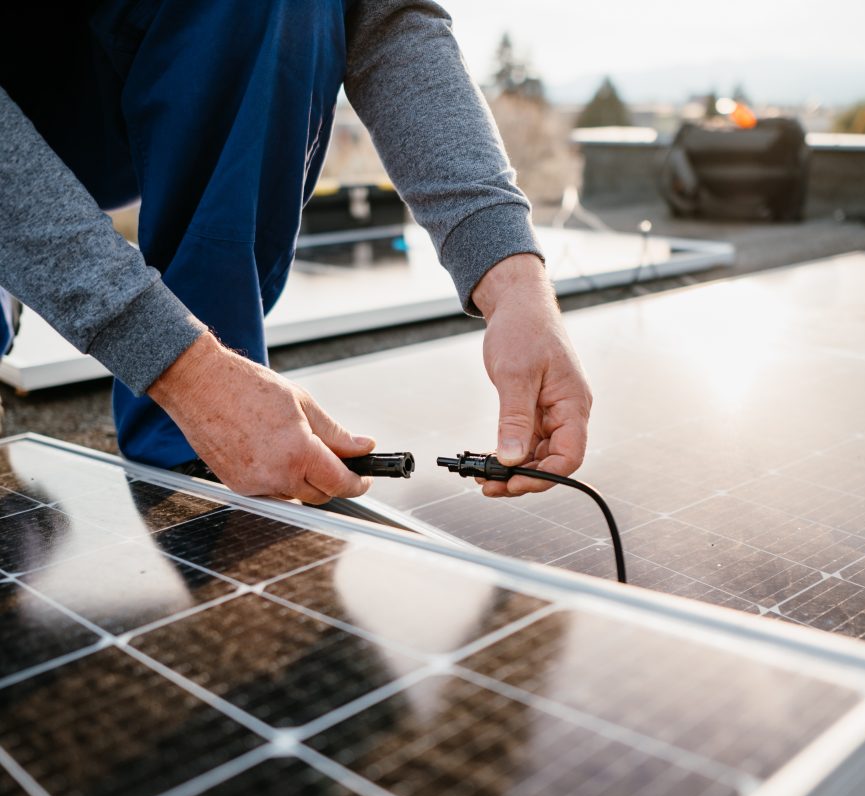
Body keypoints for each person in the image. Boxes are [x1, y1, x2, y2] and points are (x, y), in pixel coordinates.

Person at [0, 0, 591, 506]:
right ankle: (200, 398)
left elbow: (385, 17)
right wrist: (181, 368)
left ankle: (198, 446)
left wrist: (515, 283)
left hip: (116, 86)